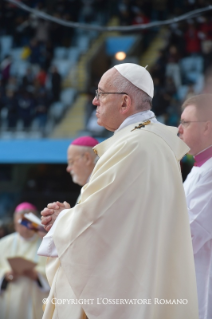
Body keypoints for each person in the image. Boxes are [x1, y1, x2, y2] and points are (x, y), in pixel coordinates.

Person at [38, 63, 199, 319]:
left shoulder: (135, 146)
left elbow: (97, 224)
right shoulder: (148, 141)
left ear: (125, 103)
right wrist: (72, 214)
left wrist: (62, 220)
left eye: (101, 94)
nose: (94, 101)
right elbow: (116, 218)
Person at [178, 94, 212, 319]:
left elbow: (189, 232)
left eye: (186, 123)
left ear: (207, 126)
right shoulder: (200, 168)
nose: (178, 129)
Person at [0, 202, 49, 319]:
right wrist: (5, 276)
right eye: (21, 223)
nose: (25, 227)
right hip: (10, 301)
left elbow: (56, 271)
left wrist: (38, 275)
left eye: (28, 223)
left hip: (37, 298)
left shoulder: (47, 243)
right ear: (14, 224)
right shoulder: (3, 244)